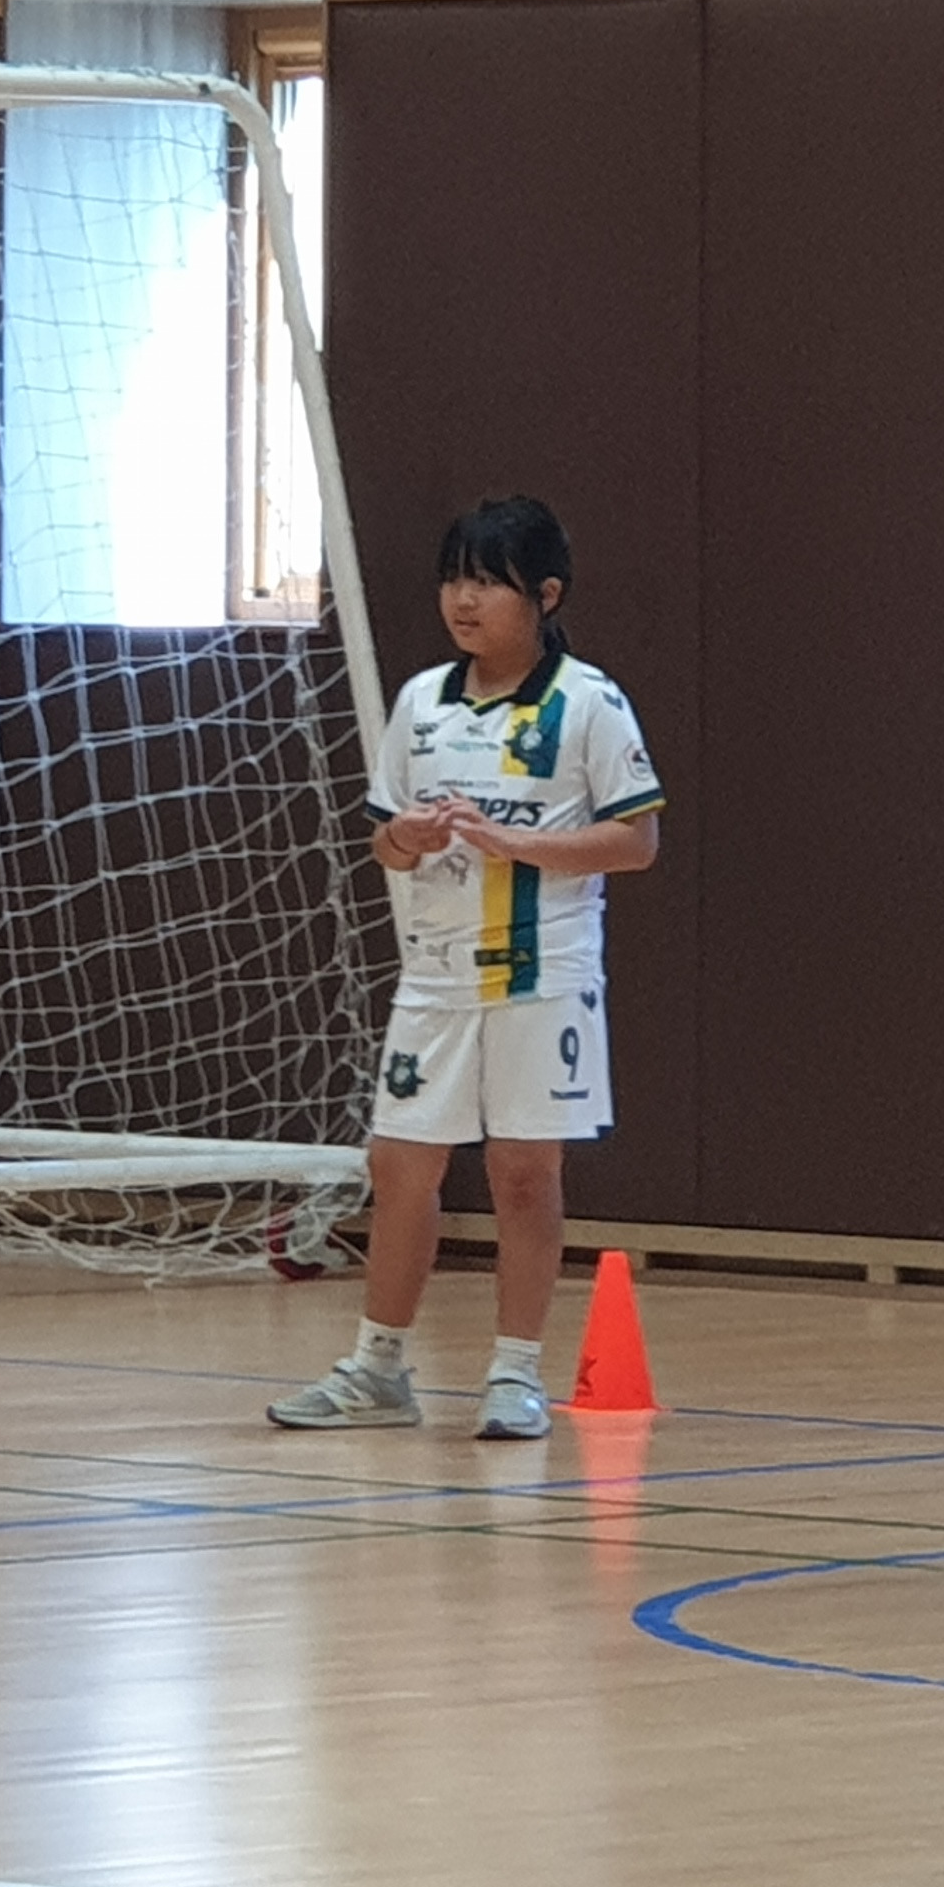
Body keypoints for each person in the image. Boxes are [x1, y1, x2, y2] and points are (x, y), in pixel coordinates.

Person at [269, 497, 662, 1440]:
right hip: (436, 975)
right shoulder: (421, 703)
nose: (463, 600)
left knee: (525, 1172)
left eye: (488, 582)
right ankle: (377, 1369)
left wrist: (519, 846)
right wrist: (404, 838)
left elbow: (637, 841)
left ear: (546, 594)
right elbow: (385, 844)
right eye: (453, 579)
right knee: (400, 1164)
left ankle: (514, 1373)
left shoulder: (590, 703)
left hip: (543, 973)